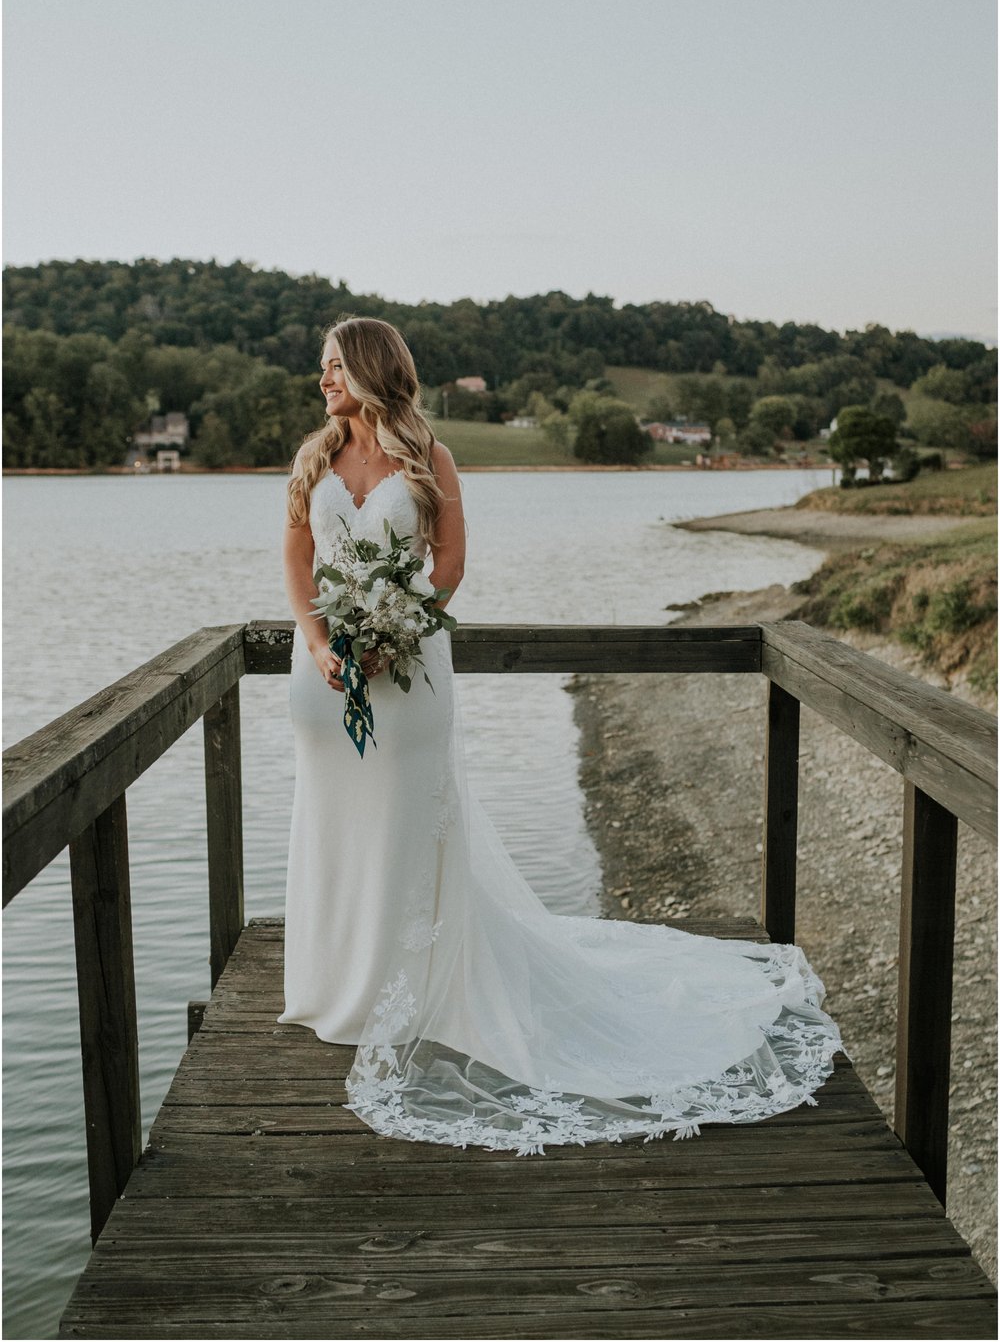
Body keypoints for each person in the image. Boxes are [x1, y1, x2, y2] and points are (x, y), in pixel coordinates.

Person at [277, 315, 843, 1154]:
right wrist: (327, 641)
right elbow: (294, 558)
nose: (321, 379)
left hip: (408, 669)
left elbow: (452, 567)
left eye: (333, 366)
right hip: (323, 674)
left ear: (370, 370)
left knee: (404, 821)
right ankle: (335, 988)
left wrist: (396, 629)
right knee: (335, 822)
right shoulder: (314, 458)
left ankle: (408, 991)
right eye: (320, 367)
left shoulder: (429, 456)